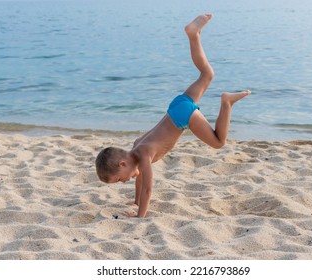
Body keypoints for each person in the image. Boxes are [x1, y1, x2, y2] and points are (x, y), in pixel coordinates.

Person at [95, 14, 250, 218]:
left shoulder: (143, 156)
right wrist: (135, 201)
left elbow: (148, 188)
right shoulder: (136, 148)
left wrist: (140, 215)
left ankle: (226, 102)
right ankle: (193, 34)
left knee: (219, 141)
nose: (123, 182)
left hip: (183, 117)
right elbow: (140, 180)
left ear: (122, 164)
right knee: (207, 74)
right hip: (177, 106)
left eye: (119, 179)